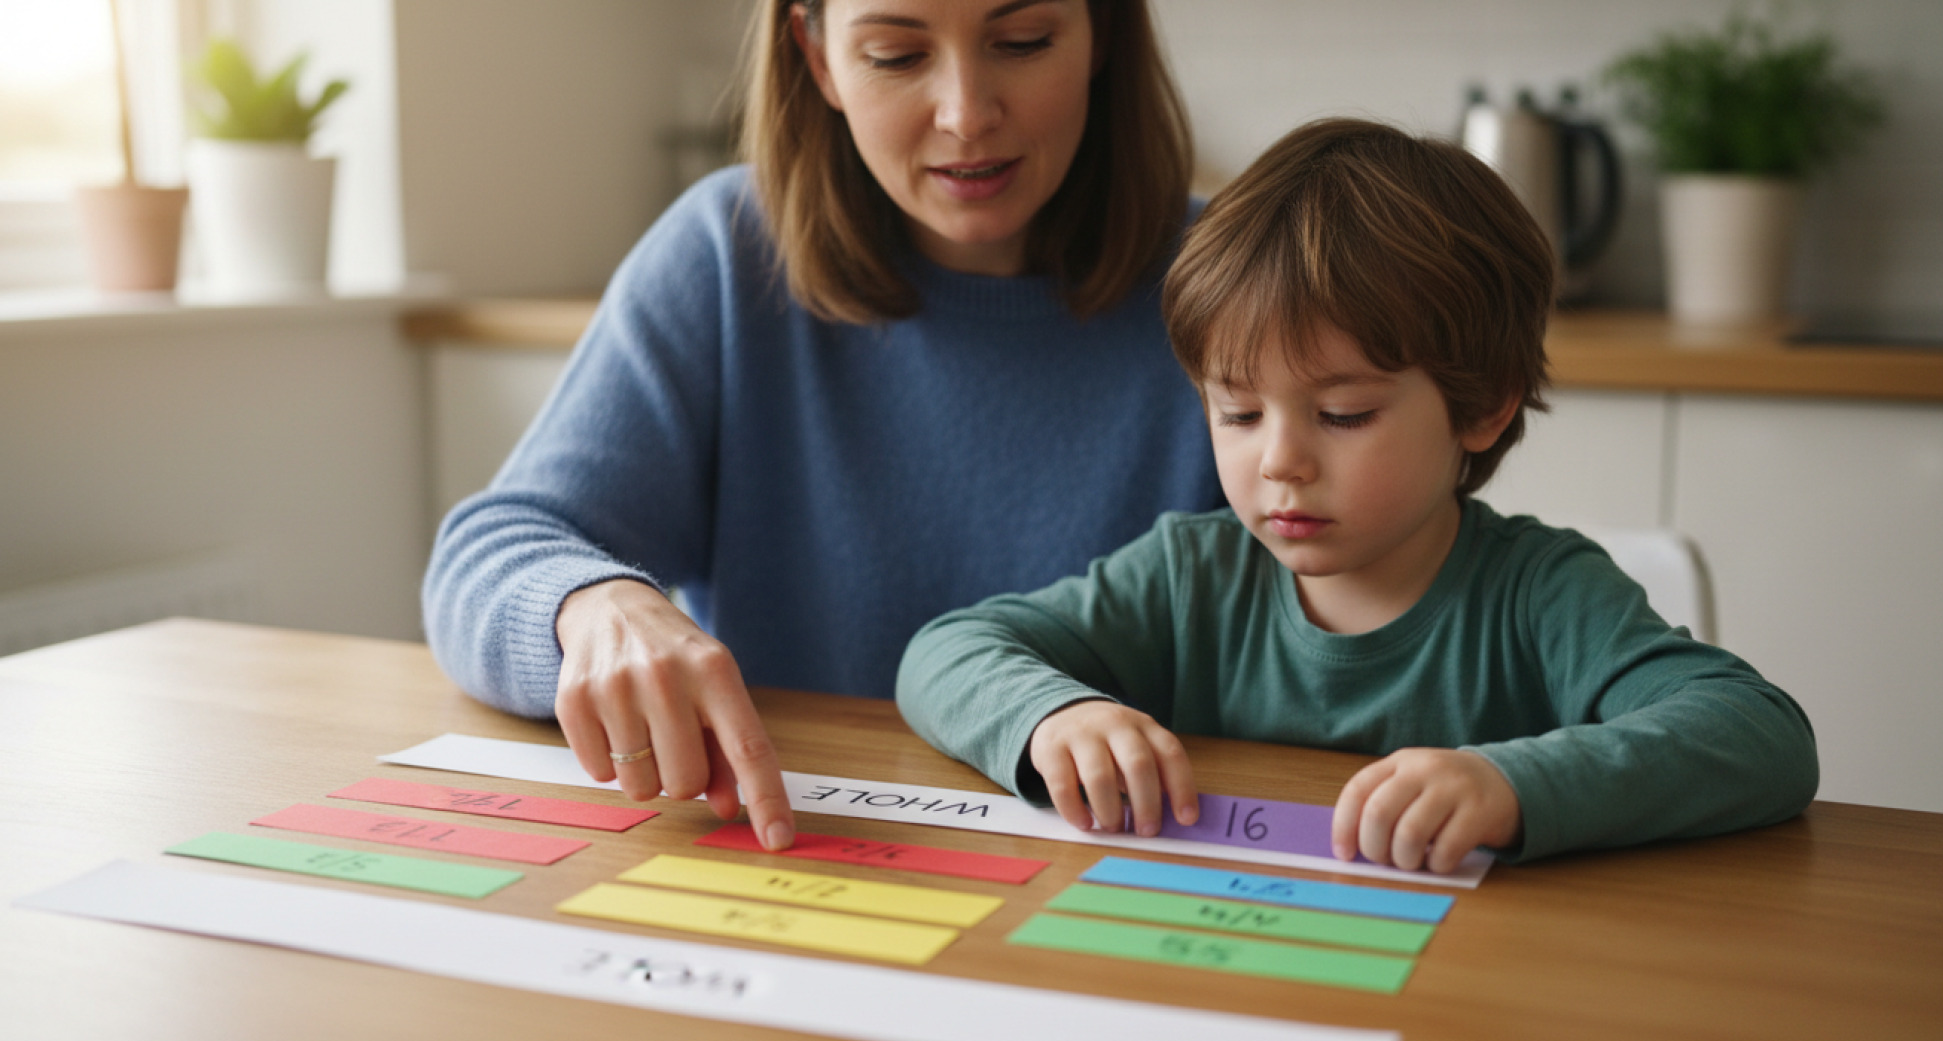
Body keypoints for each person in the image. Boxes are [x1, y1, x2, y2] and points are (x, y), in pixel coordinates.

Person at [895, 117, 1818, 873]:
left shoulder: (1540, 593)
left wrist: (1514, 784)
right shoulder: (1191, 574)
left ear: (1482, 406)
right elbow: (946, 651)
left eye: (1341, 414)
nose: (1280, 461)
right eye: (1239, 411)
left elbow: (1759, 736)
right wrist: (1056, 714)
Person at [422, 0, 1223, 853]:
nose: (965, 113)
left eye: (1022, 42)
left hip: (1120, 868)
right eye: (894, 55)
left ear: (1101, 33)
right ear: (817, 56)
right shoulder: (727, 255)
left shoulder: (1232, 287)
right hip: (795, 858)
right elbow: (487, 555)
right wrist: (592, 607)